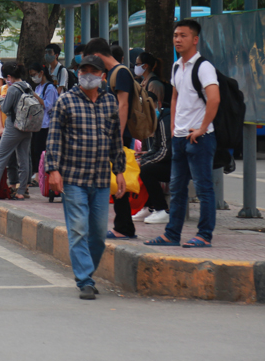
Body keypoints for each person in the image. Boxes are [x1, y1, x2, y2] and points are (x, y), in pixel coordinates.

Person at [46, 55, 127, 299]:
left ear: (103, 75)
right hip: (73, 178)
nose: (87, 74)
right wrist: (53, 169)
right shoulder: (65, 101)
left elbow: (115, 138)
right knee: (79, 229)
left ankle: (86, 271)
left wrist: (120, 171)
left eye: (93, 71)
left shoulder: (110, 102)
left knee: (99, 233)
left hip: (101, 179)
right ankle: (85, 279)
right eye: (83, 70)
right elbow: (54, 137)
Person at [145, 19, 220, 249]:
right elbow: (175, 96)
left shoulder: (204, 67)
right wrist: (175, 125)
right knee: (177, 188)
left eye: (183, 35)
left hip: (200, 138)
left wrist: (201, 128)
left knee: (203, 188)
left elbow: (214, 98)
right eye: (176, 35)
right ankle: (171, 234)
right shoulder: (177, 66)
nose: (178, 39)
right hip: (179, 137)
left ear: (195, 39)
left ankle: (204, 235)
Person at [83, 37, 138, 239]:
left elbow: (123, 105)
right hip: (115, 134)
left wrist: (118, 135)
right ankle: (123, 225)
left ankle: (124, 227)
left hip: (119, 135)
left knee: (118, 179)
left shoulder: (120, 72)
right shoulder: (115, 73)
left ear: (97, 56)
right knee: (114, 180)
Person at [0, 62, 33, 200]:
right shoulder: (27, 86)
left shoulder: (13, 89)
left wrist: (1, 100)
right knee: (23, 159)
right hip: (27, 127)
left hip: (13, 126)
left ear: (9, 76)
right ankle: (21, 191)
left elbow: (5, 108)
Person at [133, 108, 172, 224]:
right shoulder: (158, 121)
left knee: (146, 170)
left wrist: (144, 162)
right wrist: (142, 159)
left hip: (177, 165)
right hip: (168, 162)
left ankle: (162, 209)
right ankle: (149, 207)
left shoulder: (165, 121)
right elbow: (155, 148)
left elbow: (165, 152)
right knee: (142, 167)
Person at [27, 61, 59, 174]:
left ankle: (41, 173)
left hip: (46, 124)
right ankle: (37, 172)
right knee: (35, 149)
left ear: (41, 73)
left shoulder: (50, 88)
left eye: (34, 74)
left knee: (41, 149)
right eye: (31, 75)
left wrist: (34, 96)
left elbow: (48, 105)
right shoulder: (38, 87)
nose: (33, 77)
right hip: (37, 123)